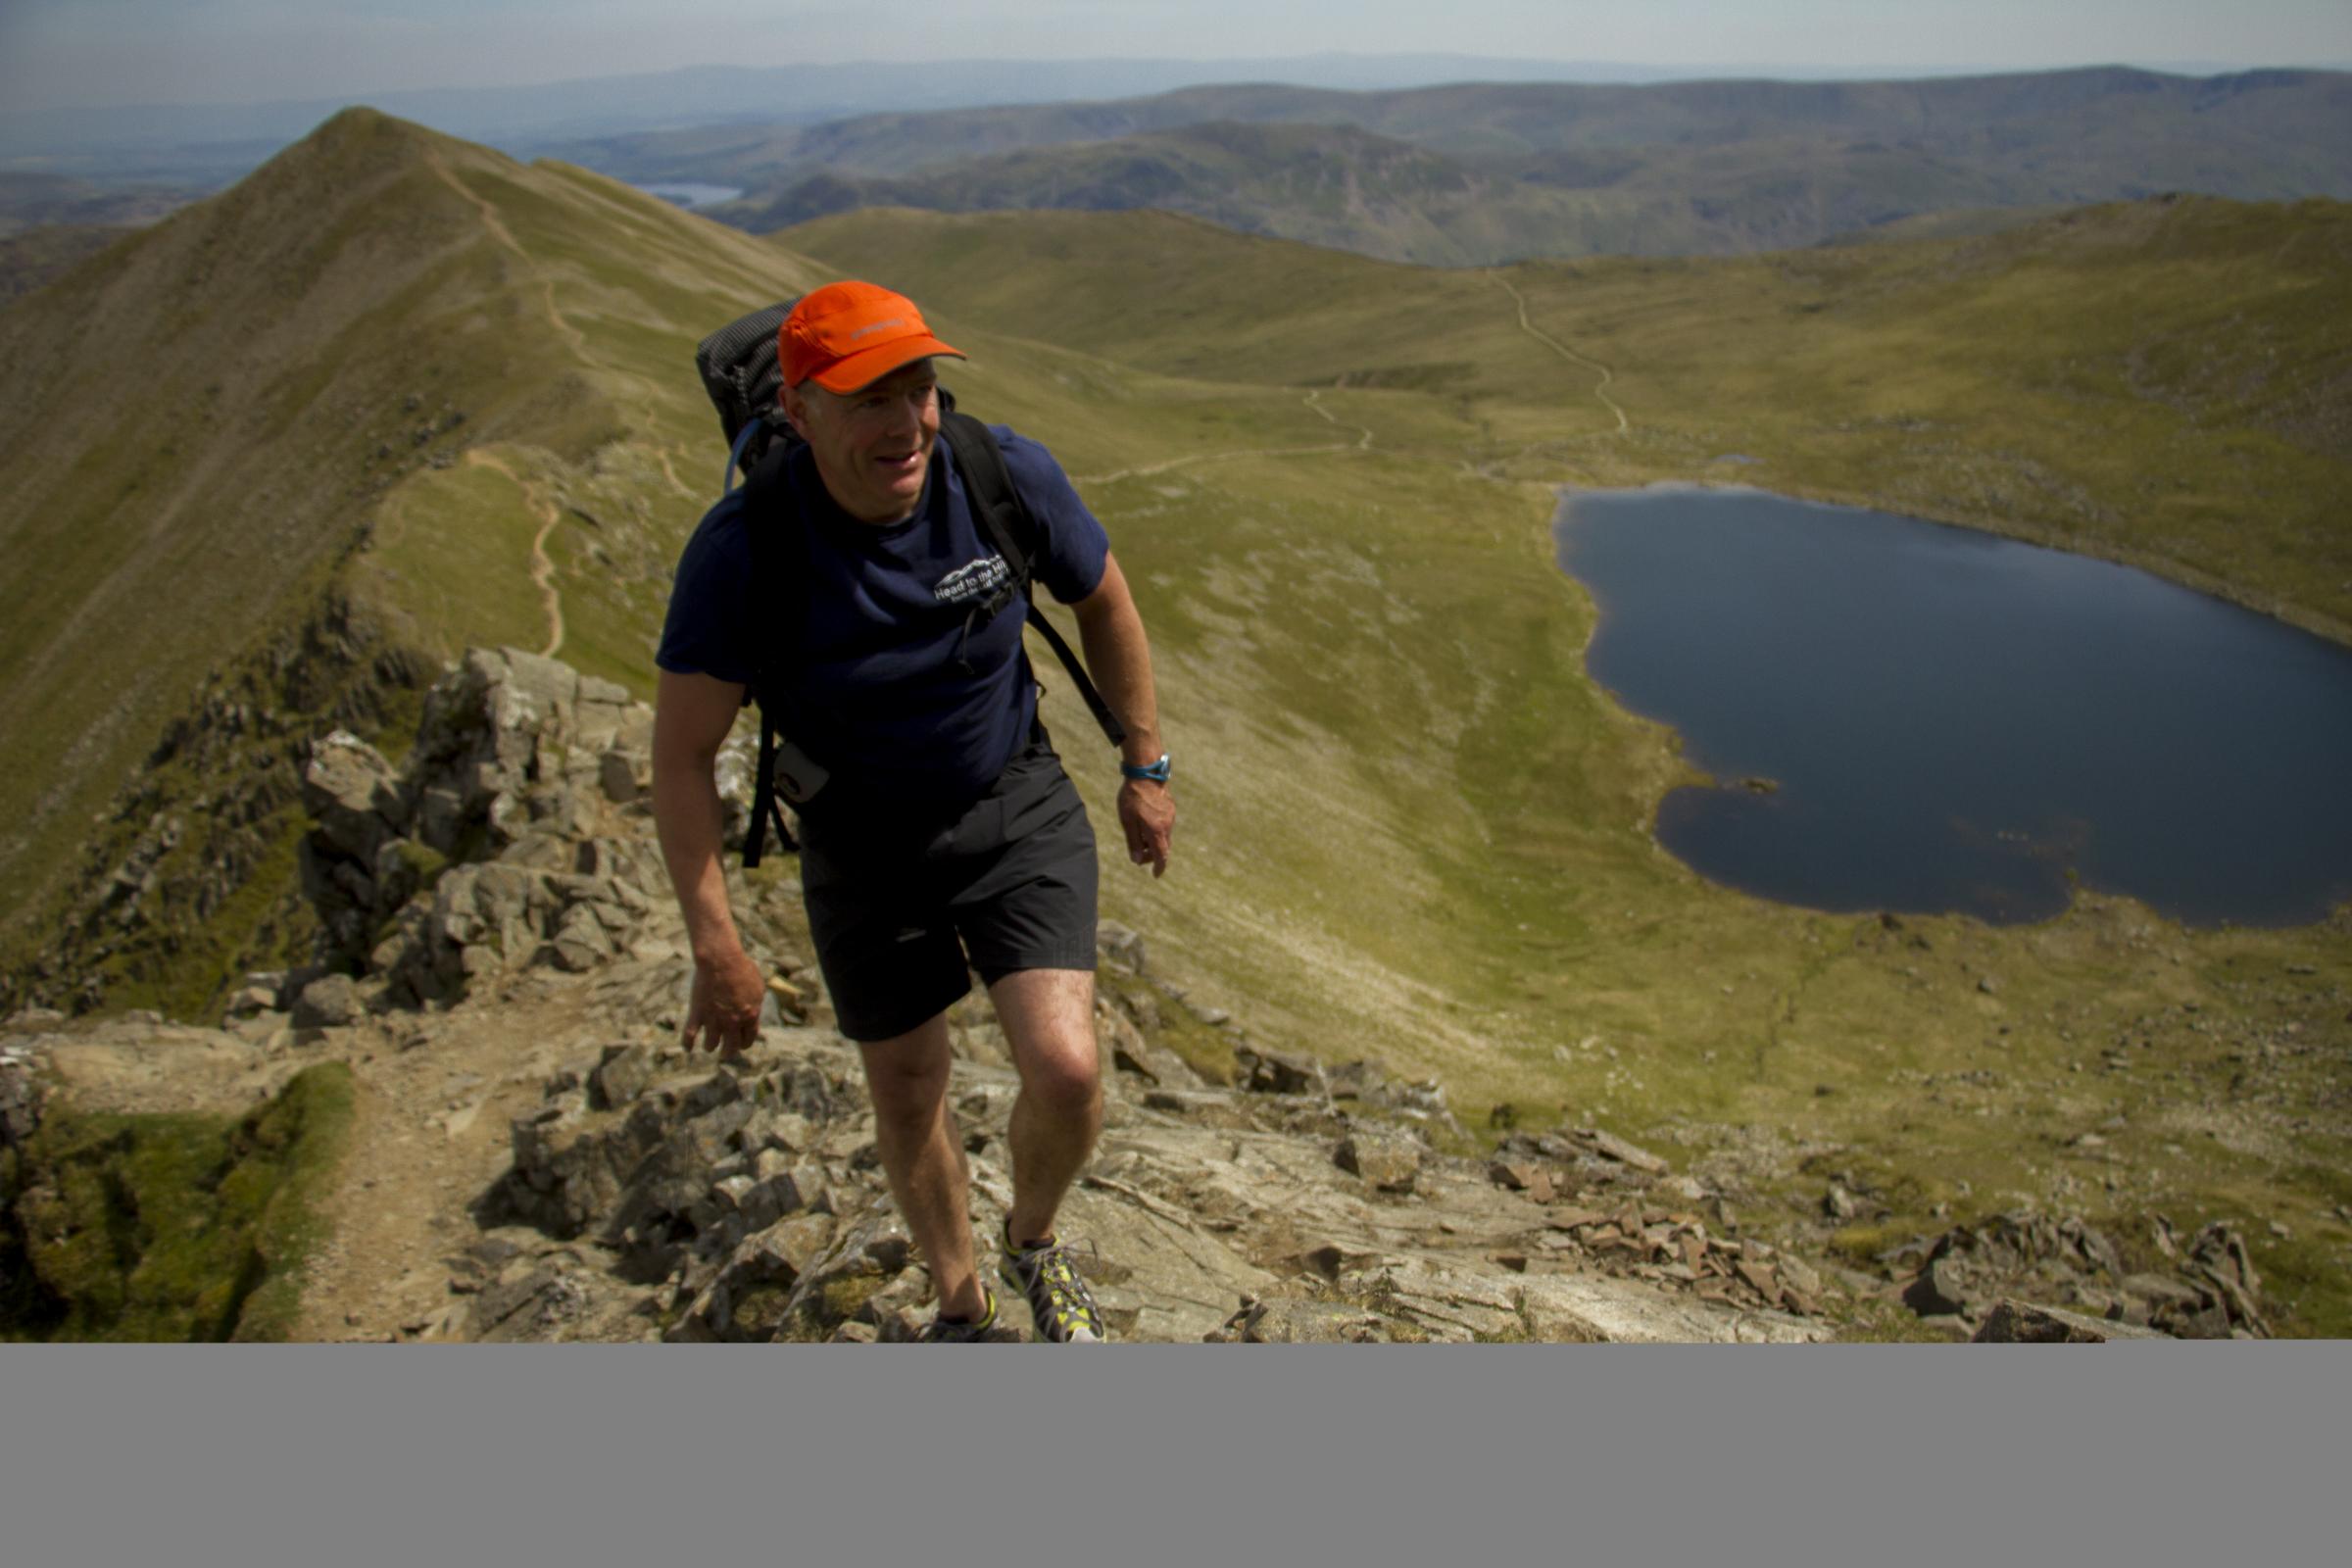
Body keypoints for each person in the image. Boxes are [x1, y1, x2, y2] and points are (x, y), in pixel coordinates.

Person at [650, 280, 1175, 1343]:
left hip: (1010, 796)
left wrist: (1145, 764)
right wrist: (717, 944)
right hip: (861, 840)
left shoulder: (995, 471)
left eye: (920, 388)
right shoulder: (745, 549)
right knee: (905, 1084)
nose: (906, 424)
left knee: (1067, 1070)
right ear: (799, 415)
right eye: (868, 399)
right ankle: (961, 1299)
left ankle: (1033, 1240)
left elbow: (1105, 598)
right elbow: (684, 751)